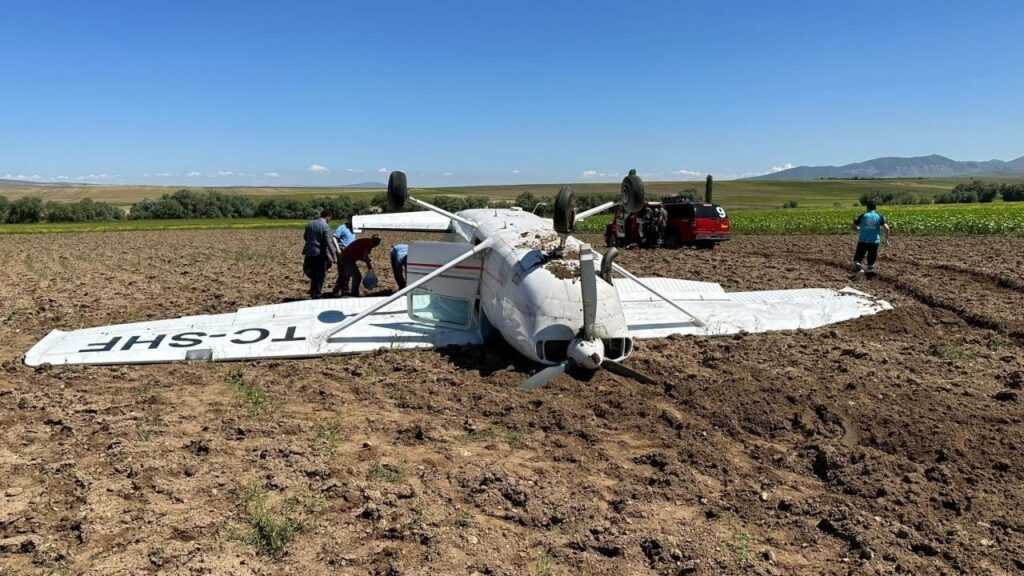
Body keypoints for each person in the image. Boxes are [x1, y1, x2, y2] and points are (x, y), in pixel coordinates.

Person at [302, 209, 336, 299]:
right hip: (319, 254)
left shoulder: (310, 223)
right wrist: (334, 256)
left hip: (309, 253)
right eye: (330, 218)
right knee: (320, 274)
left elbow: (305, 237)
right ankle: (317, 294)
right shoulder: (325, 226)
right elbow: (329, 243)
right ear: (328, 216)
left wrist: (312, 243)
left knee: (312, 273)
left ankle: (313, 291)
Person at [851, 201, 891, 277]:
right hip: (875, 241)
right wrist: (886, 240)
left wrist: (858, 229)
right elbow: (887, 228)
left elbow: (853, 226)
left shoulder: (863, 216)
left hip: (863, 241)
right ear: (875, 208)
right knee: (871, 263)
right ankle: (870, 280)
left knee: (857, 259)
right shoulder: (880, 216)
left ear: (867, 208)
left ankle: (860, 270)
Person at [330, 219, 357, 296]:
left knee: (348, 273)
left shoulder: (354, 229)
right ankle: (345, 292)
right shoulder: (341, 227)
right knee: (344, 272)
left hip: (351, 254)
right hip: (342, 252)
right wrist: (338, 248)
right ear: (349, 220)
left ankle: (336, 290)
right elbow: (334, 237)